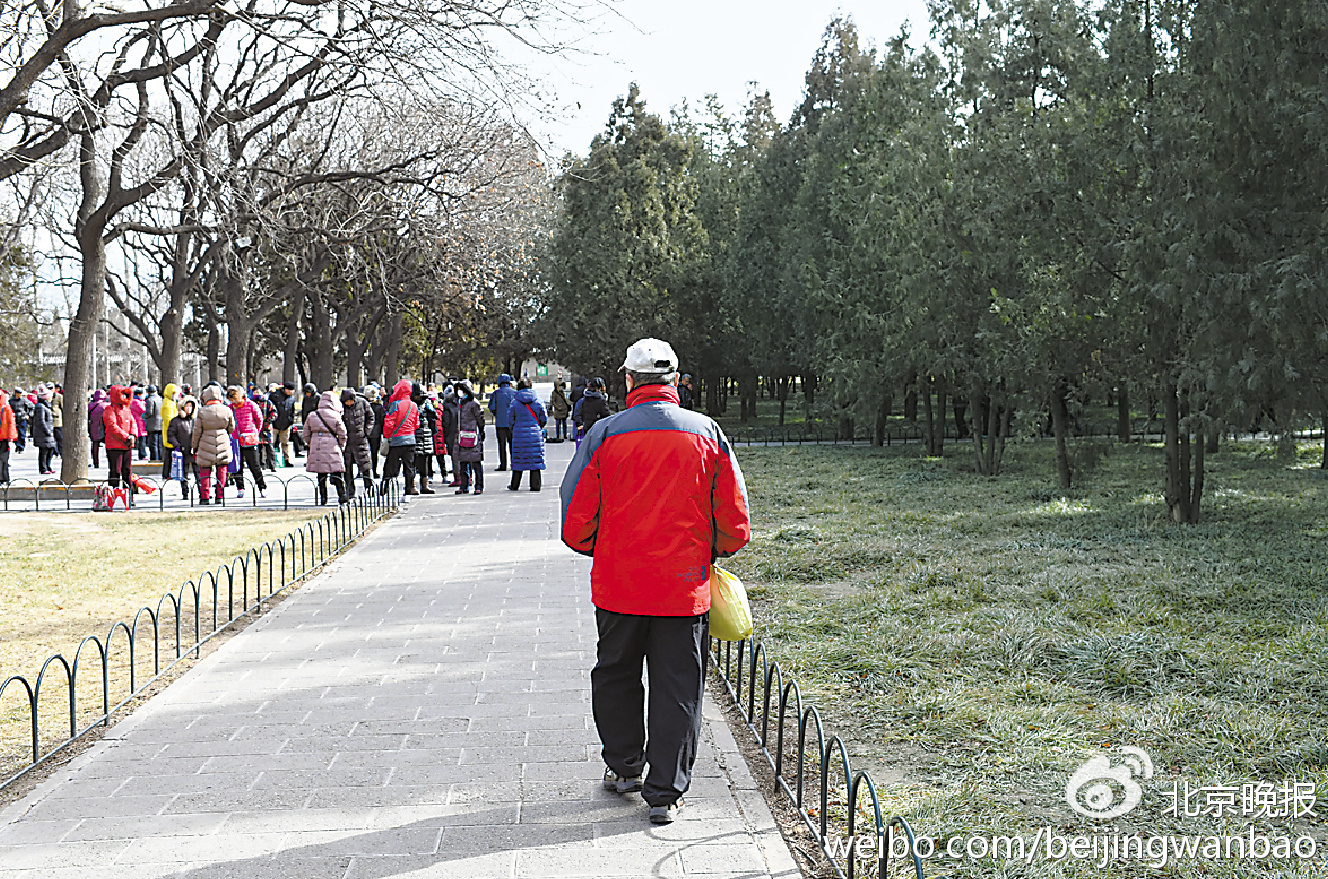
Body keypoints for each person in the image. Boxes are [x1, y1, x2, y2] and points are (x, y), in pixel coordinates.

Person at [560, 338, 751, 825]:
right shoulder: (707, 433)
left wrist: (600, 549)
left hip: (618, 586)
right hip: (683, 589)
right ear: (676, 381)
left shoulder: (603, 434)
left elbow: (575, 519)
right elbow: (735, 519)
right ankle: (665, 792)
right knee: (679, 684)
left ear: (628, 380)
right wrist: (715, 550)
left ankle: (624, 769)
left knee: (616, 674)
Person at [302, 390, 348, 505]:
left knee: (321, 473)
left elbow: (306, 433)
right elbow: (343, 433)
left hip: (316, 443)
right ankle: (342, 495)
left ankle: (323, 498)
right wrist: (342, 445)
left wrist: (310, 443)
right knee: (336, 471)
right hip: (332, 443)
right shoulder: (336, 415)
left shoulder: (313, 415)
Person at [192, 384, 236, 505]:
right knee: (222, 469)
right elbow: (232, 428)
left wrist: (194, 446)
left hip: (205, 442)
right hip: (222, 441)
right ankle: (220, 495)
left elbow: (197, 431)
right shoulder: (227, 410)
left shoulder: (201, 411)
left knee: (205, 471)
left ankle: (205, 496)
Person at [379, 378, 419, 496]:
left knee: (390, 466)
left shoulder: (396, 405)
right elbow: (416, 423)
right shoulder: (414, 405)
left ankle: (384, 489)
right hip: (410, 440)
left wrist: (387, 436)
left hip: (397, 440)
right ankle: (408, 489)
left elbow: (389, 423)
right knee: (409, 466)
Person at [226, 386, 267, 499]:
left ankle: (262, 487)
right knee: (237, 465)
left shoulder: (251, 405)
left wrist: (255, 433)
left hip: (250, 439)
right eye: (231, 400)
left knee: (254, 465)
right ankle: (240, 488)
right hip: (236, 440)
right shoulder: (230, 408)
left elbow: (259, 420)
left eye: (234, 398)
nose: (233, 402)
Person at [507, 377, 547, 491]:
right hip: (535, 434)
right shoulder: (538, 400)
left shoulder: (515, 402)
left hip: (519, 433)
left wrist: (514, 429)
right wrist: (538, 426)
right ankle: (535, 485)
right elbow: (543, 417)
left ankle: (515, 484)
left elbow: (510, 419)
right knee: (535, 461)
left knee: (518, 459)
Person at [339, 387, 373, 497]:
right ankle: (350, 490)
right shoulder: (341, 407)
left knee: (365, 466)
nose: (349, 403)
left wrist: (366, 431)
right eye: (347, 402)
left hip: (360, 438)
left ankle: (369, 488)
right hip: (347, 440)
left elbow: (371, 417)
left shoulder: (363, 403)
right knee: (347, 468)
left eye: (351, 401)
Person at [453, 380, 485, 495]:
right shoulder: (459, 402)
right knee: (463, 462)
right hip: (461, 436)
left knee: (476, 462)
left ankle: (479, 485)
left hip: (472, 435)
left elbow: (480, 418)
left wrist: (481, 431)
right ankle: (464, 485)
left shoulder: (474, 403)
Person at [101, 385, 136, 489]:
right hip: (114, 445)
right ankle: (114, 495)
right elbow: (112, 426)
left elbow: (132, 422)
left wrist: (133, 435)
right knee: (115, 471)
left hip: (127, 445)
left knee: (127, 471)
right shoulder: (109, 409)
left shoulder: (127, 409)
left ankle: (128, 496)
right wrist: (126, 436)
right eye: (123, 394)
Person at [166, 394, 198, 499]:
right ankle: (185, 493)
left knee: (198, 472)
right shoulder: (176, 421)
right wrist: (177, 446)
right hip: (182, 451)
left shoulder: (196, 420)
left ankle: (203, 493)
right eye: (187, 406)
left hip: (195, 450)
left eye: (191, 406)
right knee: (184, 473)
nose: (189, 408)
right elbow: (170, 435)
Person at [411, 383, 437, 494]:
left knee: (424, 463)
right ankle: (412, 485)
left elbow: (433, 419)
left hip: (425, 435)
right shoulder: (411, 405)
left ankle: (424, 485)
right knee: (412, 463)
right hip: (414, 435)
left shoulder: (427, 404)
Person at [488, 373, 516, 471]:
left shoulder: (496, 394)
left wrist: (497, 413)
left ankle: (503, 464)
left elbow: (491, 407)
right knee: (513, 444)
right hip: (512, 423)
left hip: (500, 423)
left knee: (502, 445)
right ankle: (514, 464)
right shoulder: (514, 393)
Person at [273, 381, 297, 466]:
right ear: (286, 389)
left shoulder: (291, 399)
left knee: (285, 443)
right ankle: (270, 460)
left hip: (286, 424)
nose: (292, 392)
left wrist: (291, 420)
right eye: (290, 390)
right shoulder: (275, 396)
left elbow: (292, 411)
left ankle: (287, 459)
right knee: (271, 442)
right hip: (275, 424)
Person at [159, 383, 179, 480]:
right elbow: (169, 420)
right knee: (169, 454)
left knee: (169, 454)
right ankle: (167, 473)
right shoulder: (168, 404)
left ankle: (168, 473)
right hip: (170, 432)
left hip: (170, 431)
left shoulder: (170, 403)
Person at [366, 385, 385, 478]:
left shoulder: (364, 405)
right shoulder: (379, 406)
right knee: (374, 452)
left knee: (364, 452)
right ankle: (374, 470)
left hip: (365, 431)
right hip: (376, 431)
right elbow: (382, 419)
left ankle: (363, 471)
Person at [88, 388, 109, 469]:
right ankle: (110, 461)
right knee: (108, 445)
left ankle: (96, 462)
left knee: (95, 446)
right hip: (105, 427)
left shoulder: (90, 406)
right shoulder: (107, 405)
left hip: (94, 427)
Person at [0, 389, 16, 484]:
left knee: (3, 458)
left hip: (4, 436)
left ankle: (4, 477)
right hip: (5, 436)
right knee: (4, 458)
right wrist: (11, 437)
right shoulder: (6, 407)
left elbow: (11, 423)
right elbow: (11, 423)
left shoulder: (6, 408)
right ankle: (5, 478)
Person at [144, 385, 162, 461]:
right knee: (159, 444)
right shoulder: (160, 399)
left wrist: (144, 416)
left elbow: (149, 412)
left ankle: (154, 459)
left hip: (152, 424)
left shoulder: (150, 400)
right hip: (160, 423)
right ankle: (160, 457)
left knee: (153, 444)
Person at [11, 389, 31, 454]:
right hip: (14, 419)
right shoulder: (11, 401)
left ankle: (21, 447)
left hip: (22, 419)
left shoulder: (24, 400)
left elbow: (32, 407)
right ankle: (17, 445)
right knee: (15, 434)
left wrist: (29, 415)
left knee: (22, 433)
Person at [50, 384, 64, 456]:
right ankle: (54, 451)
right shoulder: (45, 397)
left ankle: (61, 451)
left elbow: (62, 407)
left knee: (59, 437)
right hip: (49, 420)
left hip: (57, 420)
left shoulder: (59, 397)